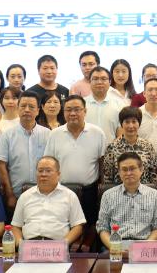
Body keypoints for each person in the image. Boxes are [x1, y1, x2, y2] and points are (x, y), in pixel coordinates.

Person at [43, 95, 106, 223]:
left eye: (77, 109)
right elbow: (49, 163)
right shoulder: (55, 134)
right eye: (68, 110)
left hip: (90, 191)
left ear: (85, 111)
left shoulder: (97, 133)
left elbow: (102, 163)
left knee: (89, 225)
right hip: (62, 191)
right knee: (64, 224)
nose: (72, 113)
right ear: (63, 112)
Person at [96, 152, 157, 248]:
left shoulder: (154, 195)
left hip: (145, 246)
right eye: (124, 169)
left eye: (132, 168)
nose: (128, 173)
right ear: (119, 172)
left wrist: (143, 248)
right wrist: (115, 248)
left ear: (141, 169)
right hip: (116, 245)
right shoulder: (108, 195)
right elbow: (102, 228)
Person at [10, 156, 86, 244]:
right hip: (30, 245)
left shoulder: (70, 196)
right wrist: (20, 244)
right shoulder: (25, 196)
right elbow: (16, 226)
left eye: (48, 171)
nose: (43, 174)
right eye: (40, 171)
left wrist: (64, 244)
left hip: (57, 245)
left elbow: (78, 226)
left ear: (58, 174)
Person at [0, 92, 51, 212]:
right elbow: (1, 165)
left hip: (44, 194)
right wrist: (10, 194)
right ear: (17, 108)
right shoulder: (7, 135)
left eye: (31, 107)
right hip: (16, 195)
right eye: (23, 106)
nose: (27, 110)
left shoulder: (48, 134)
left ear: (38, 111)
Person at [101, 107, 157, 186]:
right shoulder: (112, 147)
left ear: (139, 123)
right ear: (121, 124)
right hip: (119, 192)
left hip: (144, 192)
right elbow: (107, 178)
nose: (131, 126)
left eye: (134, 122)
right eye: (127, 122)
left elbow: (153, 176)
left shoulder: (148, 147)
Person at [84, 67, 126, 141]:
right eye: (95, 79)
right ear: (90, 82)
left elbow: (121, 134)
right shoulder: (82, 104)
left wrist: (113, 147)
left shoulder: (120, 104)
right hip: (85, 147)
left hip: (111, 147)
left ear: (110, 82)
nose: (99, 82)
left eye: (103, 79)